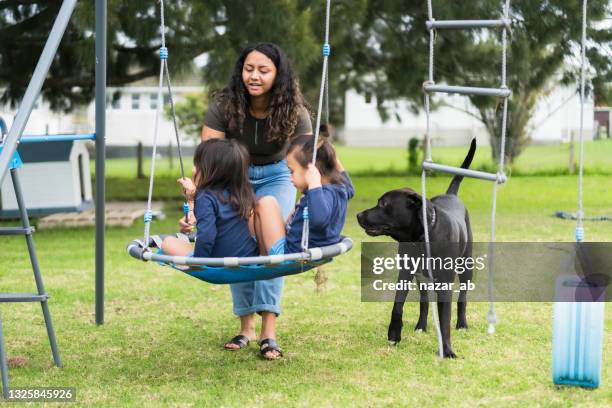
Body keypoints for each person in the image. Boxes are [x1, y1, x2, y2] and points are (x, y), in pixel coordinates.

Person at [184, 42, 312, 359]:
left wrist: (308, 206)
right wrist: (193, 206)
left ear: (278, 75)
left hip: (279, 175)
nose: (254, 76)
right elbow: (208, 162)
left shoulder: (295, 111)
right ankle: (246, 327)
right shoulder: (225, 105)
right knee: (237, 245)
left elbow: (307, 163)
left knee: (271, 249)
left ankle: (269, 330)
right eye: (249, 68)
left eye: (263, 70)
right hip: (233, 176)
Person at [254, 134, 355, 261]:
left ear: (311, 172)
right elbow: (351, 189)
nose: (290, 178)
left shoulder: (322, 193)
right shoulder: (340, 188)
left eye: (292, 171)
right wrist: (335, 160)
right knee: (264, 206)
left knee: (266, 203)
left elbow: (319, 220)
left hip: (289, 253)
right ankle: (260, 252)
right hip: (303, 247)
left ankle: (261, 256)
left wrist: (314, 184)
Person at [161, 139, 258, 261]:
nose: (193, 170)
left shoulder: (205, 197)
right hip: (248, 256)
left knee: (168, 242)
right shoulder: (241, 193)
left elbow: (207, 236)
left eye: (197, 164)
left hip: (218, 261)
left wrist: (200, 261)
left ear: (210, 170)